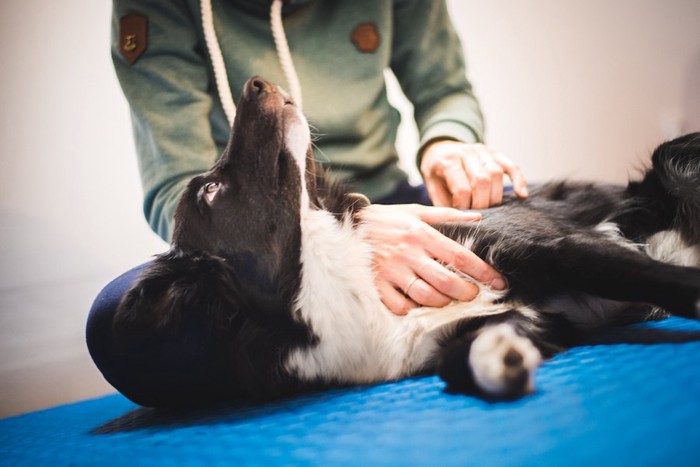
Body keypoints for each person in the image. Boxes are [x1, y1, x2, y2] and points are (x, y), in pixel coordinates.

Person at [87, 0, 528, 407]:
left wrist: (446, 143)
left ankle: (348, 354)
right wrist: (338, 235)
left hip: (392, 203)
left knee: (525, 212)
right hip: (266, 261)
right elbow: (176, 188)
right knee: (115, 326)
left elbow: (445, 89)